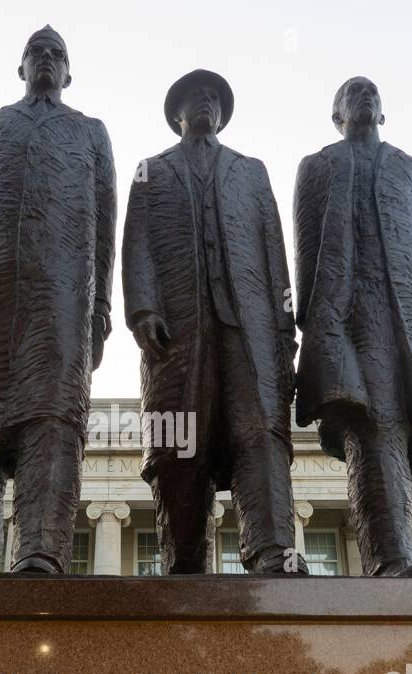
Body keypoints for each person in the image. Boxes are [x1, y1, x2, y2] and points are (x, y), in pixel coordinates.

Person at [122, 69, 306, 574]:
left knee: (260, 434)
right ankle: (184, 559)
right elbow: (136, 243)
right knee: (176, 438)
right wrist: (142, 310)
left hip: (251, 329)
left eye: (212, 98)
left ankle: (272, 551)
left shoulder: (251, 171)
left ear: (222, 112)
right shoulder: (150, 170)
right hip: (177, 331)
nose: (204, 103)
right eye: (193, 98)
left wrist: (285, 334)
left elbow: (275, 253)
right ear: (175, 113)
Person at [0, 25, 116, 573]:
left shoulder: (90, 132)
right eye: (36, 53)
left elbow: (106, 226)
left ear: (69, 72)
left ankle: (42, 552)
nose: (46, 59)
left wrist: (99, 310)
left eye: (57, 54)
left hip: (63, 294)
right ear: (21, 67)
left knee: (53, 418)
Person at [293, 76, 412, 576]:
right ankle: (392, 561)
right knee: (374, 432)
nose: (364, 98)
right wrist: (313, 321)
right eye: (352, 94)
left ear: (383, 111)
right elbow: (306, 245)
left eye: (371, 93)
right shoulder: (318, 166)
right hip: (355, 320)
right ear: (338, 115)